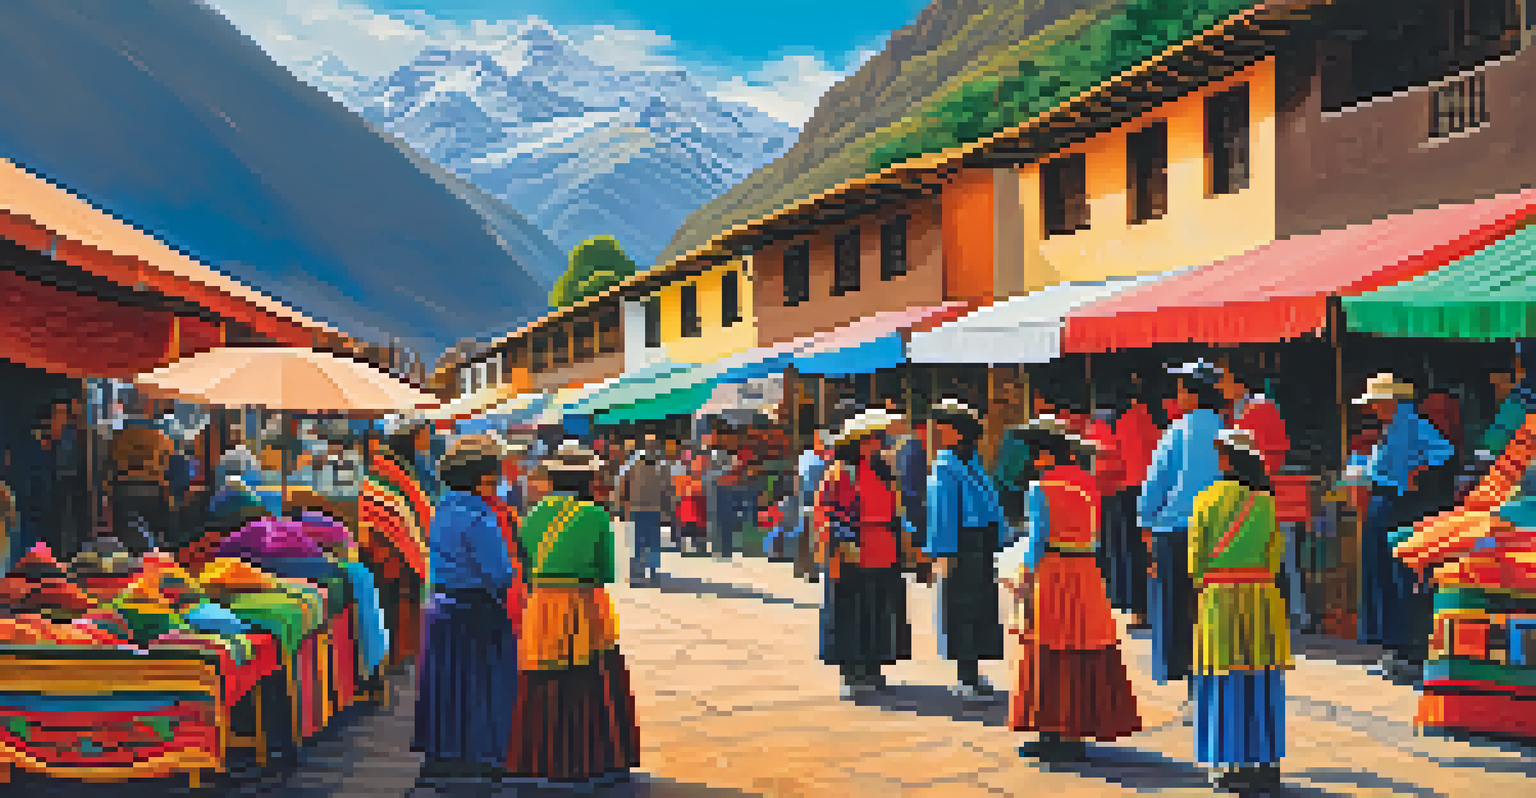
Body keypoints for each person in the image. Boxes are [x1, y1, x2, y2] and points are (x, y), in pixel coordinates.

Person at [1003, 415, 1141, 762]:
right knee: (1083, 646)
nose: (1034, 460)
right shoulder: (1087, 483)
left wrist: (1022, 576)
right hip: (1086, 572)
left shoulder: (1041, 488)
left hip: (1052, 572)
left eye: (1036, 452)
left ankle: (1052, 731)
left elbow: (1036, 541)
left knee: (1047, 649)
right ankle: (1076, 731)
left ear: (1048, 455)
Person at [507, 441, 641, 785]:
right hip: (582, 604)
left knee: (541, 678)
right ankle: (589, 759)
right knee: (588, 675)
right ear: (587, 480)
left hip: (539, 606)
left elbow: (525, 561)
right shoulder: (596, 515)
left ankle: (537, 759)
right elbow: (605, 572)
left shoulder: (532, 515)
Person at [1189, 427, 1292, 793]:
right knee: (1261, 679)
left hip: (1219, 597)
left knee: (1225, 676)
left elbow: (1195, 563)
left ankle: (1229, 763)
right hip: (1261, 598)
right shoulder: (1266, 503)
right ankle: (1265, 762)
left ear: (1226, 459)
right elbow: (1275, 557)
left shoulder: (1204, 500)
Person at [412, 435, 520, 779]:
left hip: (440, 607)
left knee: (446, 683)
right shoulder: (481, 518)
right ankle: (481, 755)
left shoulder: (439, 509)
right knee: (483, 685)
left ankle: (444, 750)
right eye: (494, 477)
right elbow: (499, 573)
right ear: (481, 480)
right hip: (478, 611)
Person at [1353, 373, 1455, 683]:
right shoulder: (1391, 429)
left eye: (1377, 403)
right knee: (1381, 575)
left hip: (1398, 508)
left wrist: (1415, 476)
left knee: (1398, 578)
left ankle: (1407, 651)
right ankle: (1392, 650)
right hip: (1382, 505)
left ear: (1391, 401)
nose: (1374, 409)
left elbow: (1445, 454)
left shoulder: (1414, 425)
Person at [815, 410, 918, 699]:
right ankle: (851, 672)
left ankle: (873, 667)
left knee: (879, 611)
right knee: (851, 612)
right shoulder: (838, 472)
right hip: (852, 553)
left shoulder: (884, 471)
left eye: (880, 438)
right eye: (874, 438)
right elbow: (826, 513)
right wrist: (841, 543)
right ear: (858, 442)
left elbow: (897, 510)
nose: (880, 443)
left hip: (884, 551)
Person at [1139, 359, 1227, 693]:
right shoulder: (1226, 430)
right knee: (1209, 604)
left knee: (1174, 605)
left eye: (1180, 389)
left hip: (1174, 530)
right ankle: (1211, 669)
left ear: (1191, 393)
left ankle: (1181, 669)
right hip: (1219, 532)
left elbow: (1155, 484)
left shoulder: (1176, 431)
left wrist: (1145, 523)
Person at [925, 398, 1007, 699]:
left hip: (968, 546)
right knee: (968, 609)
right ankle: (967, 675)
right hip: (969, 546)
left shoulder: (956, 465)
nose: (935, 432)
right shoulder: (959, 464)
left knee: (970, 609)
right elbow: (987, 509)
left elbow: (945, 511)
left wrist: (943, 551)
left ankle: (970, 674)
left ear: (956, 432)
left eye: (941, 427)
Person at [1112, 388, 1160, 629]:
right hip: (1158, 488)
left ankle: (1141, 612)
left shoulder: (1123, 422)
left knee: (1134, 551)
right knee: (1157, 550)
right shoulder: (1162, 420)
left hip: (1131, 489)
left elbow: (1116, 458)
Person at [618, 433, 673, 585]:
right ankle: (639, 572)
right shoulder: (633, 464)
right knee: (639, 541)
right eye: (649, 444)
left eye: (653, 445)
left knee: (652, 540)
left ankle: (652, 571)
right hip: (639, 507)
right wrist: (622, 505)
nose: (651, 447)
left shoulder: (662, 465)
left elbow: (667, 489)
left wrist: (668, 509)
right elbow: (623, 484)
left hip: (654, 508)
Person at [673, 451, 709, 556]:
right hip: (689, 510)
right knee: (691, 529)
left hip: (694, 510)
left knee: (696, 529)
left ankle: (696, 547)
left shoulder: (688, 480)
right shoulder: (682, 479)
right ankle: (688, 547)